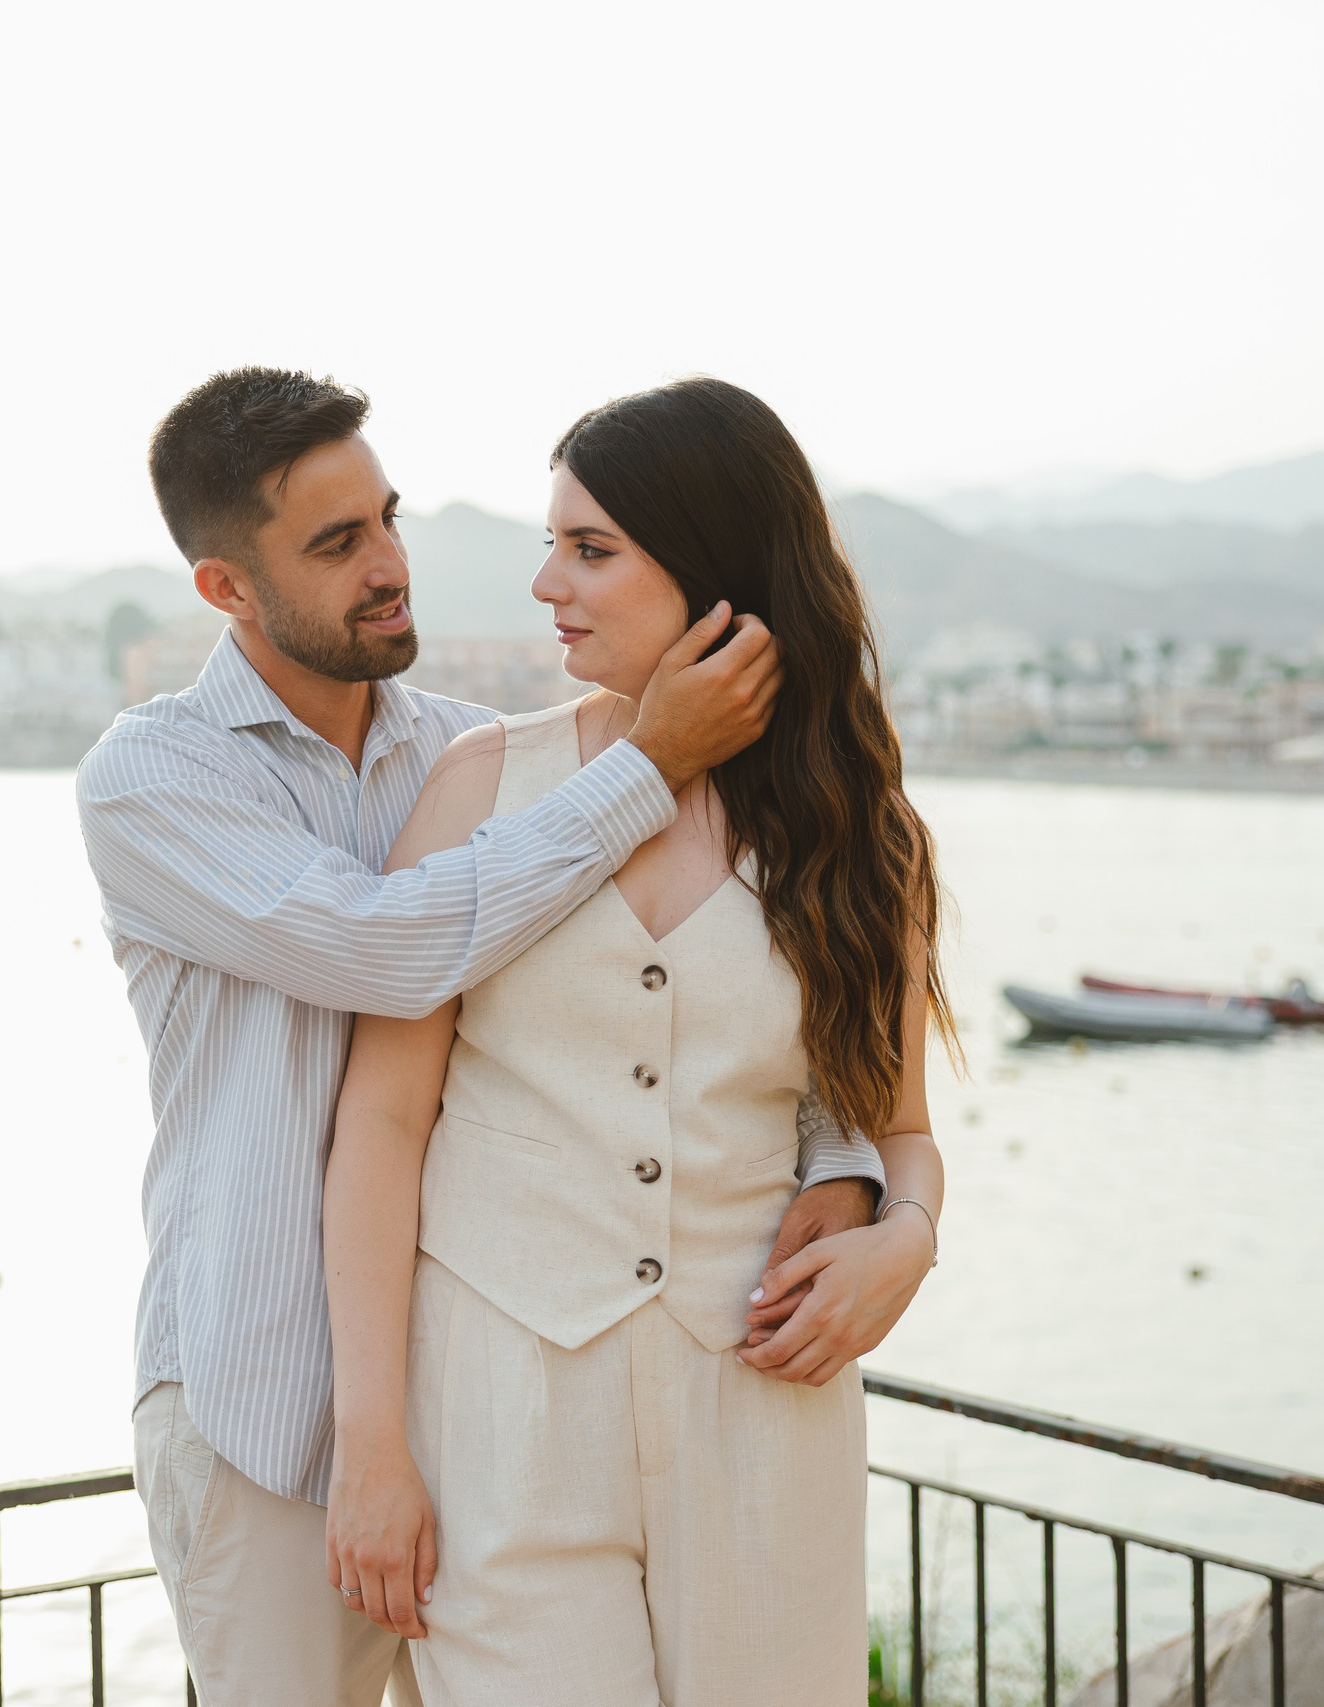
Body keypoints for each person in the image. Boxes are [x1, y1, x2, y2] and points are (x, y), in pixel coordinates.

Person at [76, 367, 892, 1707]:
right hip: (270, 1393)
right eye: (337, 546)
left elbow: (741, 1006)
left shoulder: (472, 757)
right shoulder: (155, 780)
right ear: (228, 588)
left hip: (491, 1397)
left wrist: (848, 1164)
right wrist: (650, 767)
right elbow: (391, 951)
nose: (392, 565)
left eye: (387, 518)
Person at [320, 377, 953, 1706]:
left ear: (713, 567)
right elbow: (380, 1125)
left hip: (762, 1398)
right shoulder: (480, 786)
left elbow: (895, 1128)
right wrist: (372, 1441)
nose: (548, 581)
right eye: (554, 541)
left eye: (591, 548)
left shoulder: (859, 836)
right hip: (500, 1407)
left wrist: (905, 1239)